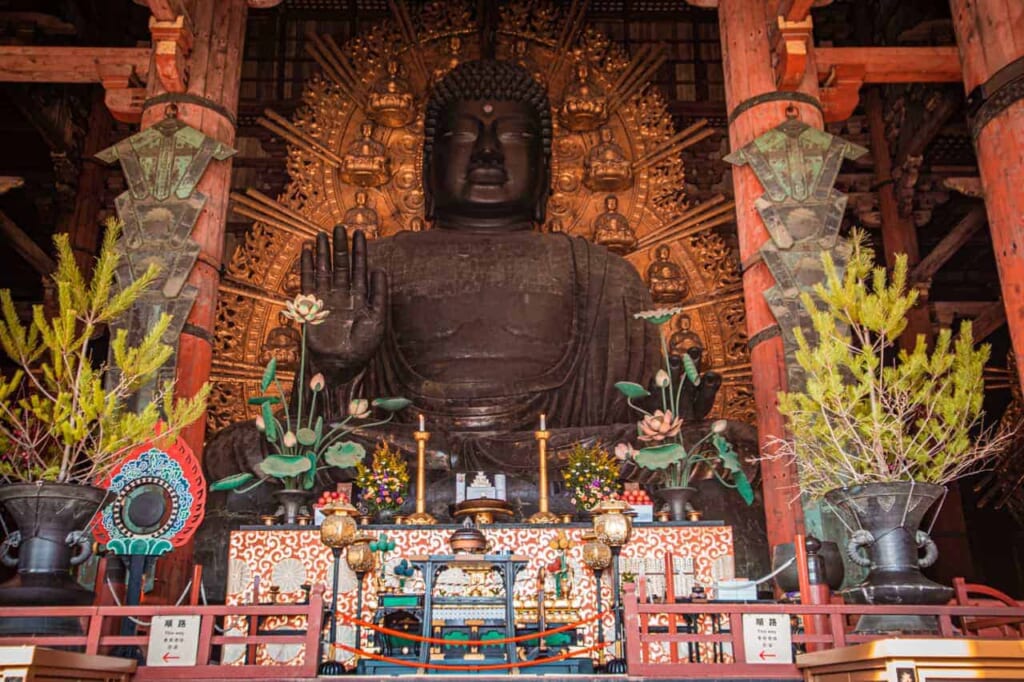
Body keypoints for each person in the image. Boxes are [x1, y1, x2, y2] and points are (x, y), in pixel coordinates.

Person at [299, 59, 660, 471]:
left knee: (719, 443)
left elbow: (640, 419)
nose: (487, 152)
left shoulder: (607, 276)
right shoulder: (367, 269)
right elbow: (306, 423)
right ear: (427, 165)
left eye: (513, 136)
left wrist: (673, 408)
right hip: (406, 457)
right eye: (463, 136)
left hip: (555, 457)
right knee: (244, 448)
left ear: (546, 169)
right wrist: (336, 370)